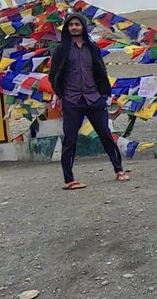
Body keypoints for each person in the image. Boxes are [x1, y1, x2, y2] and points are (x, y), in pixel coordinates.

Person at [47, 12, 130, 189]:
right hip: (72, 100)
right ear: (67, 28)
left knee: (106, 135)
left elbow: (100, 70)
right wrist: (61, 94)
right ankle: (69, 180)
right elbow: (53, 74)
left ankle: (119, 170)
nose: (74, 27)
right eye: (71, 25)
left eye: (77, 24)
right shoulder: (61, 50)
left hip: (94, 98)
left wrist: (103, 93)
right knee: (70, 139)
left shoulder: (92, 48)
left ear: (83, 27)